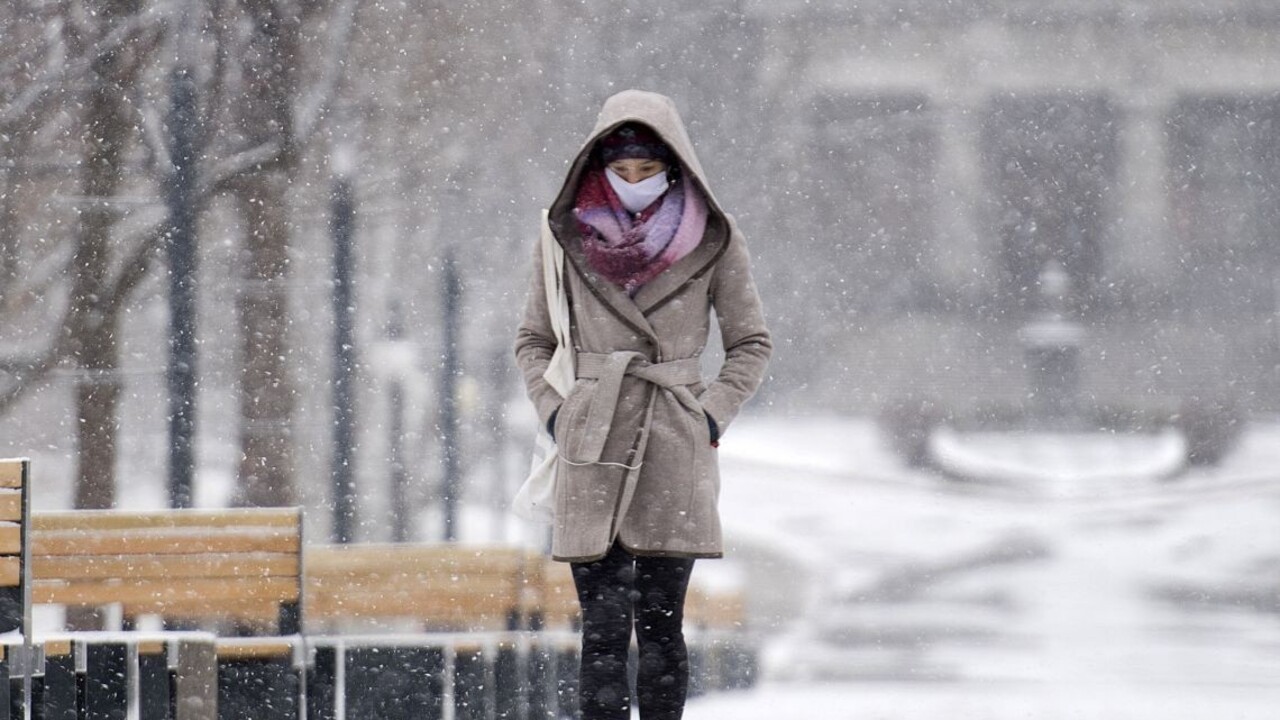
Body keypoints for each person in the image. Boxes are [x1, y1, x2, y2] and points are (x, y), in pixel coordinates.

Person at [514, 89, 772, 720]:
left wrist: (707, 414)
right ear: (598, 165)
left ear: (673, 166)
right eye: (621, 170)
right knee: (600, 633)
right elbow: (532, 340)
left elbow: (751, 343)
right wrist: (558, 414)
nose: (634, 182)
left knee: (661, 631)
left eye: (647, 170)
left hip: (672, 444)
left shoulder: (713, 238)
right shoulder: (564, 236)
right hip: (592, 442)